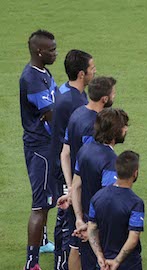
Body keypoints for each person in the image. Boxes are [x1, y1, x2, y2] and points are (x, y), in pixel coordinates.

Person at [57, 76, 116, 270]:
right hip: (89, 195)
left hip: (77, 190)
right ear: (105, 99)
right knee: (92, 247)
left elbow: (65, 153)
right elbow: (92, 163)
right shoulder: (94, 127)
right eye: (114, 93)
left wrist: (70, 187)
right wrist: (76, 192)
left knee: (76, 245)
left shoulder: (77, 113)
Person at [49, 49, 96, 270]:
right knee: (67, 218)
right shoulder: (76, 102)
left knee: (64, 216)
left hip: (61, 161)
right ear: (81, 74)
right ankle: (62, 262)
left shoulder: (65, 90)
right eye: (92, 69)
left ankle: (61, 259)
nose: (94, 72)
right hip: (66, 167)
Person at [70, 108, 129, 269]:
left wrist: (79, 219)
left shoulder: (85, 150)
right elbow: (109, 203)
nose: (126, 129)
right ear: (115, 131)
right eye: (124, 126)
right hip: (102, 233)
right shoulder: (111, 162)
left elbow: (75, 187)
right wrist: (92, 228)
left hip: (86, 226)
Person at [20, 29, 58, 270]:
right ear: (39, 51)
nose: (56, 53)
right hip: (40, 148)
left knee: (48, 197)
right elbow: (50, 115)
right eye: (52, 50)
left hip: (46, 145)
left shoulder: (42, 70)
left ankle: (43, 241)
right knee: (40, 204)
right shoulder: (31, 78)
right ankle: (31, 262)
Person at [87, 151, 144, 270]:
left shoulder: (97, 197)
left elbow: (92, 228)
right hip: (128, 264)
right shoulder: (136, 203)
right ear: (135, 173)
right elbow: (133, 238)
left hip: (103, 263)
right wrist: (117, 261)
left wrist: (99, 256)